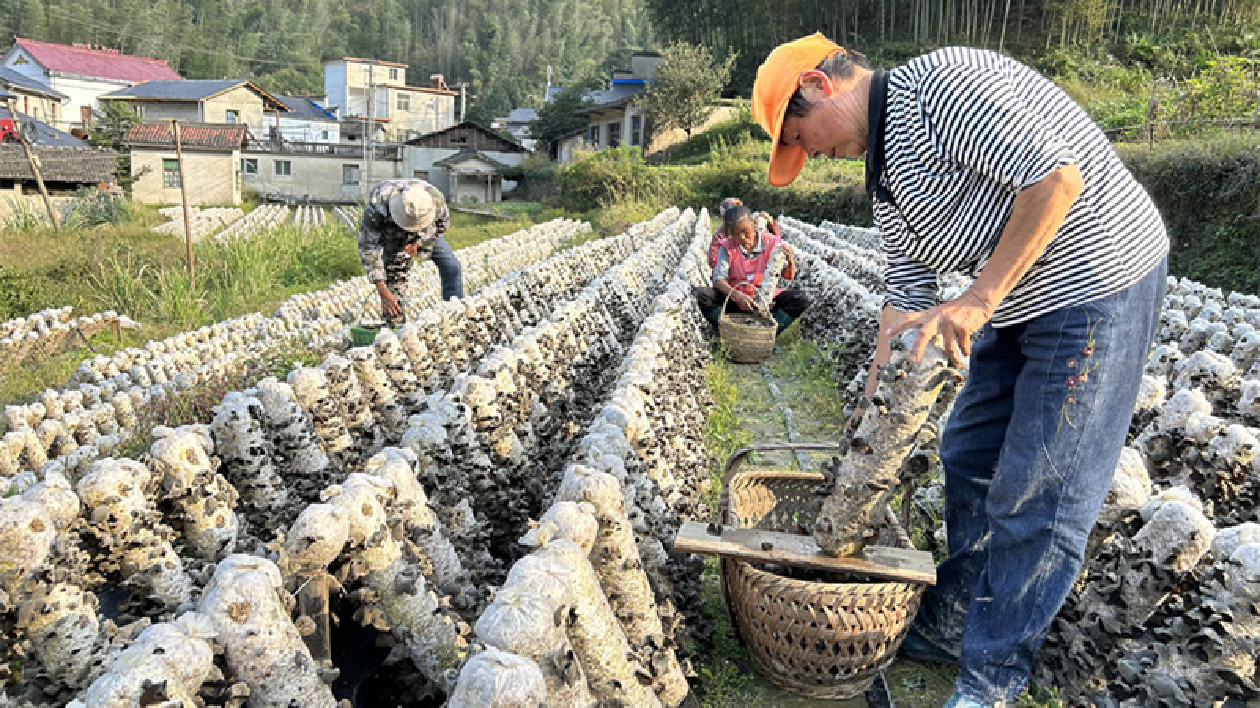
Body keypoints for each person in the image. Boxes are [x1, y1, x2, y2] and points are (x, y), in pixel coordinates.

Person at [751, 35, 1168, 707]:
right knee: (968, 451)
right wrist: (869, 409)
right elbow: (905, 303)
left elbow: (1056, 180)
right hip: (1023, 297)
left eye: (800, 135)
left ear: (819, 84)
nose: (811, 154)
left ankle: (990, 680)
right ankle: (955, 621)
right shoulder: (886, 180)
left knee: (1041, 489)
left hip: (1098, 282)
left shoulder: (941, 86)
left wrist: (976, 299)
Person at [358, 178, 464, 328]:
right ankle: (396, 329)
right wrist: (382, 289)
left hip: (425, 233)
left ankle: (455, 316)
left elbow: (442, 226)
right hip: (391, 234)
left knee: (452, 267)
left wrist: (421, 243)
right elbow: (369, 246)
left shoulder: (436, 200)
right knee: (394, 286)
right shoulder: (378, 204)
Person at [693, 205, 810, 335]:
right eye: (736, 234)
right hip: (735, 301)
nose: (742, 237)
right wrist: (737, 295)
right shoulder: (727, 246)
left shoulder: (772, 242)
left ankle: (766, 334)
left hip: (764, 301)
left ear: (753, 224)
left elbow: (788, 276)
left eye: (745, 231)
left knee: (801, 298)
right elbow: (718, 279)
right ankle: (730, 331)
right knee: (701, 294)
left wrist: (790, 261)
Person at [707, 197, 781, 268]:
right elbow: (714, 261)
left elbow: (776, 243)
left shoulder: (757, 228)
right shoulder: (720, 236)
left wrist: (770, 224)